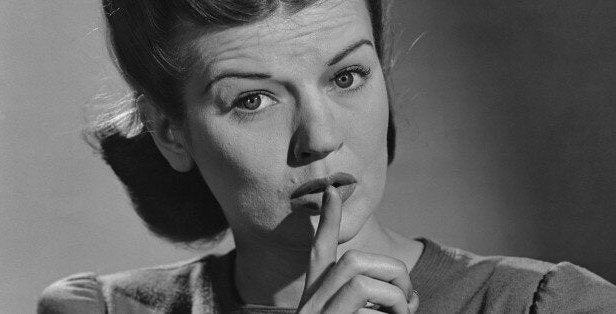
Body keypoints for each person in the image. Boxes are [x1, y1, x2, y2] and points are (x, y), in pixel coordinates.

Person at [38, 0, 616, 313]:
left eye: (347, 76)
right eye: (253, 99)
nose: (320, 137)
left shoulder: (550, 307)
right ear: (171, 133)